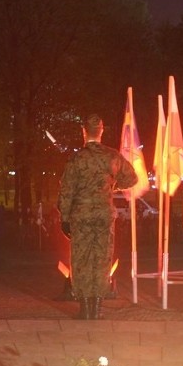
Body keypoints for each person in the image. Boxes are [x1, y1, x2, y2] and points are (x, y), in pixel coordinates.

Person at [57, 114, 137, 320]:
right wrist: (112, 186)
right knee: (102, 260)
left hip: (81, 216)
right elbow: (132, 178)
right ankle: (97, 309)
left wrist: (64, 218)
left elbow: (66, 191)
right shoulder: (112, 156)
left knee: (82, 261)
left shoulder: (77, 158)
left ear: (84, 131)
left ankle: (84, 309)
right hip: (103, 214)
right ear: (101, 131)